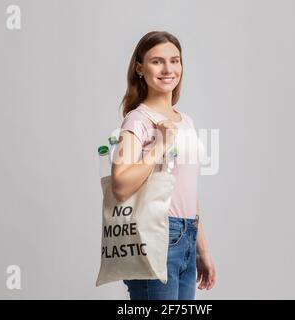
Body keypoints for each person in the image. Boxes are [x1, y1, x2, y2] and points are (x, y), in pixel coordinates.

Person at [111, 31, 216, 300]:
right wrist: (160, 145)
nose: (168, 69)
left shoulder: (186, 121)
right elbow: (120, 185)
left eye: (175, 60)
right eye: (157, 61)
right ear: (139, 69)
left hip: (187, 236)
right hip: (156, 233)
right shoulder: (139, 120)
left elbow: (187, 189)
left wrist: (201, 249)